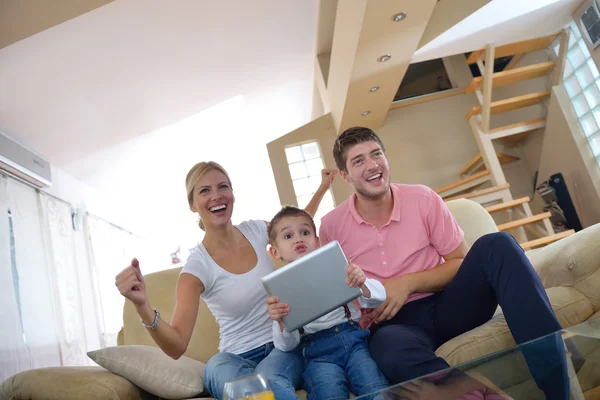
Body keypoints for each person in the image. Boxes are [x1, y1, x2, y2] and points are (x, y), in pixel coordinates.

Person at [318, 126, 569, 399]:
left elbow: (459, 261)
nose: (372, 165)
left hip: (448, 303)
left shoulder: (422, 199)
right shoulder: (331, 227)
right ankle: (475, 392)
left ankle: (557, 383)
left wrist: (408, 283)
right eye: (358, 161)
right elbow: (338, 297)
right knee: (387, 347)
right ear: (344, 175)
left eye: (376, 154)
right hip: (394, 326)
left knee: (498, 244)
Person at [115, 161, 336, 400]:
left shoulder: (258, 231)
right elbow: (177, 346)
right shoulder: (196, 268)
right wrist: (142, 305)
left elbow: (296, 227)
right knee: (221, 372)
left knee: (267, 379)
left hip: (280, 346)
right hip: (233, 357)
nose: (216, 196)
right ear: (192, 205)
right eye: (204, 191)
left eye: (223, 187)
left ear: (232, 194)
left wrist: (323, 188)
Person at [265, 206, 389, 400]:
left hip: (354, 343)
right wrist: (281, 321)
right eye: (288, 236)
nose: (298, 239)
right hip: (317, 355)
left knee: (375, 387)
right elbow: (286, 346)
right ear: (275, 252)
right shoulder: (280, 292)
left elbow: (379, 297)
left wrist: (362, 282)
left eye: (305, 232)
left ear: (317, 241)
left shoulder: (337, 266)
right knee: (327, 392)